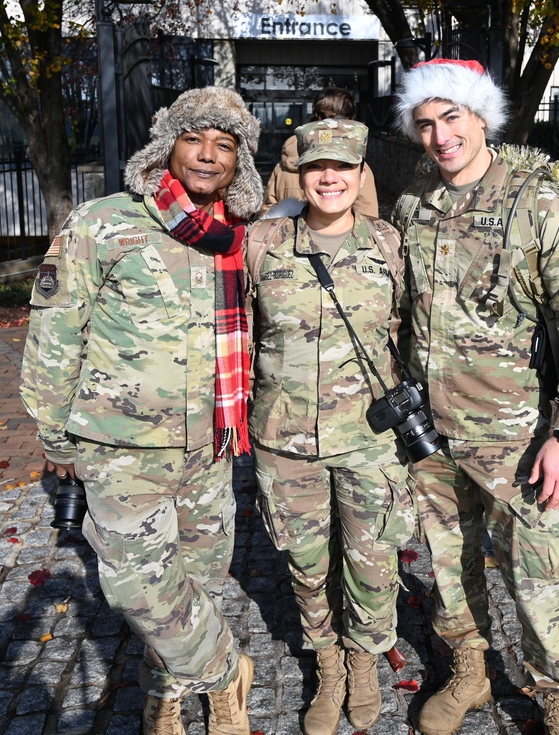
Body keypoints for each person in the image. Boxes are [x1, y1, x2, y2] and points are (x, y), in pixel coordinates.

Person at [20, 86, 262, 735]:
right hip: (121, 443)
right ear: (167, 147)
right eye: (194, 139)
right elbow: (54, 332)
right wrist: (53, 428)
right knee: (137, 587)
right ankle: (225, 669)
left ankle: (172, 694)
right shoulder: (101, 223)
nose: (208, 155)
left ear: (241, 160)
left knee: (199, 580)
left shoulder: (238, 237)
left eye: (225, 144)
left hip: (210, 444)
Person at [390, 59, 559, 735]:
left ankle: (558, 695)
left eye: (451, 117)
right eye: (425, 123)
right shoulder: (413, 205)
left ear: (481, 116)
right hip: (432, 432)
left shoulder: (538, 201)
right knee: (449, 561)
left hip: (518, 435)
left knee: (538, 574)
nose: (439, 135)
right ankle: (471, 670)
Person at [245, 119, 413, 735]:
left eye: (343, 167)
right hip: (286, 440)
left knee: (372, 561)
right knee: (307, 563)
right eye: (318, 167)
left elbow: (415, 331)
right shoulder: (263, 243)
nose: (329, 178)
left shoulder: (389, 245)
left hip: (370, 438)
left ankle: (364, 661)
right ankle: (328, 664)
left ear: (360, 173)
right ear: (300, 173)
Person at [260, 87, 379, 218]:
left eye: (342, 166)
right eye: (314, 166)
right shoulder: (355, 166)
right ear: (350, 118)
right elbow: (368, 216)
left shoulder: (283, 164)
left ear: (316, 116)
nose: (328, 178)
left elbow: (268, 212)